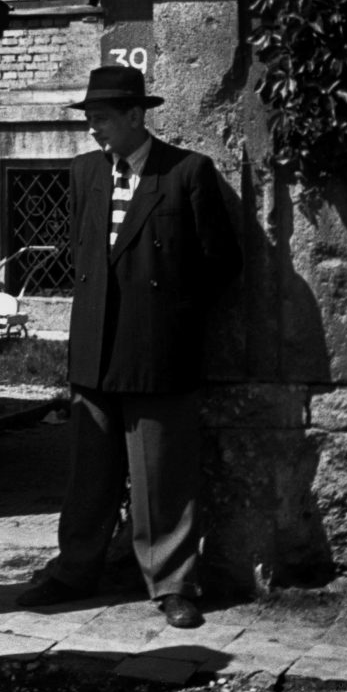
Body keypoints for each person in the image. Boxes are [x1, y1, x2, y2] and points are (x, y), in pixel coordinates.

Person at [18, 66, 242, 629]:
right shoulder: (85, 172)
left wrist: (169, 316)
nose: (93, 129)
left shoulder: (187, 172)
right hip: (95, 350)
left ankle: (173, 583)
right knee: (88, 474)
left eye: (102, 119)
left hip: (158, 351)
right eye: (89, 119)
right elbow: (85, 252)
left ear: (137, 117)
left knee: (162, 475)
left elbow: (221, 262)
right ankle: (75, 570)